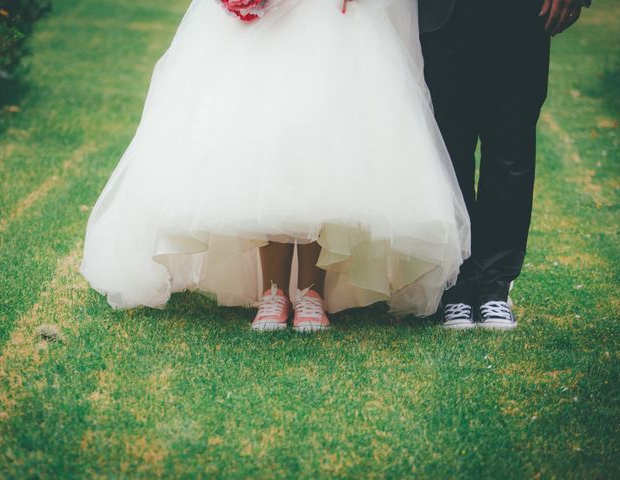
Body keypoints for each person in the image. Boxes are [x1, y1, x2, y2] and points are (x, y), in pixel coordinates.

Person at [79, 0, 470, 332]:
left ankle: (311, 290)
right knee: (265, 134)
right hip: (274, 17)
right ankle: (273, 289)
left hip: (330, 14)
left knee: (322, 133)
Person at [419, 0, 590, 330]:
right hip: (442, 14)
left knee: (512, 148)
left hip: (519, 14)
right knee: (448, 150)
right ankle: (456, 284)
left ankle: (494, 286)